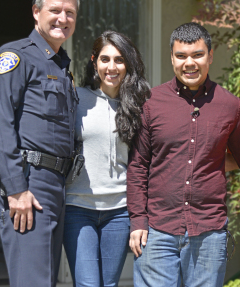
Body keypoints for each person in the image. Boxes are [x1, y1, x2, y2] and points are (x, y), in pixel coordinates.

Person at [127, 22, 240, 287]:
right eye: (181, 56)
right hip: (157, 229)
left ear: (210, 55)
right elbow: (138, 166)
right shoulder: (150, 102)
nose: (189, 63)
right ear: (171, 57)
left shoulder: (230, 105)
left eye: (197, 55)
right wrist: (137, 220)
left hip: (208, 231)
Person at [0, 0, 79, 287]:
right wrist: (15, 189)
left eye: (70, 13)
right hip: (28, 183)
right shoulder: (16, 57)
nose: (63, 19)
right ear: (36, 12)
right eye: (55, 10)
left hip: (54, 185)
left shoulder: (61, 66)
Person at [63, 30, 150, 287]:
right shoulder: (77, 100)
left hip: (120, 213)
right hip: (78, 208)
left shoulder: (140, 106)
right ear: (94, 62)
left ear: (129, 64)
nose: (111, 67)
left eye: (119, 60)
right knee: (88, 284)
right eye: (105, 59)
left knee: (109, 284)